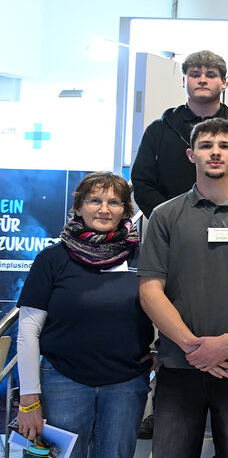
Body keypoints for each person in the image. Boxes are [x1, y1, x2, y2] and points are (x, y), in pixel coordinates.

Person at [138, 118, 228, 458]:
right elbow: (149, 291)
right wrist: (194, 348)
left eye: (224, 146)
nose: (215, 153)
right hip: (178, 364)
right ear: (192, 155)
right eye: (206, 146)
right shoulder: (163, 215)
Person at [15, 173, 154, 457]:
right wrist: (29, 399)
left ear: (125, 211)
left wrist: (162, 352)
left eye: (114, 202)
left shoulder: (143, 259)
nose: (104, 209)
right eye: (95, 200)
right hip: (63, 381)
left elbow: (166, 310)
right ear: (78, 208)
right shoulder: (52, 259)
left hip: (125, 385)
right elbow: (28, 331)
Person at [130, 50, 228, 216]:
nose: (203, 80)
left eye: (211, 75)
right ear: (184, 81)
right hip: (171, 224)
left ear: (224, 82)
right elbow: (142, 183)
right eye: (195, 74)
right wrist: (170, 218)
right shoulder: (158, 130)